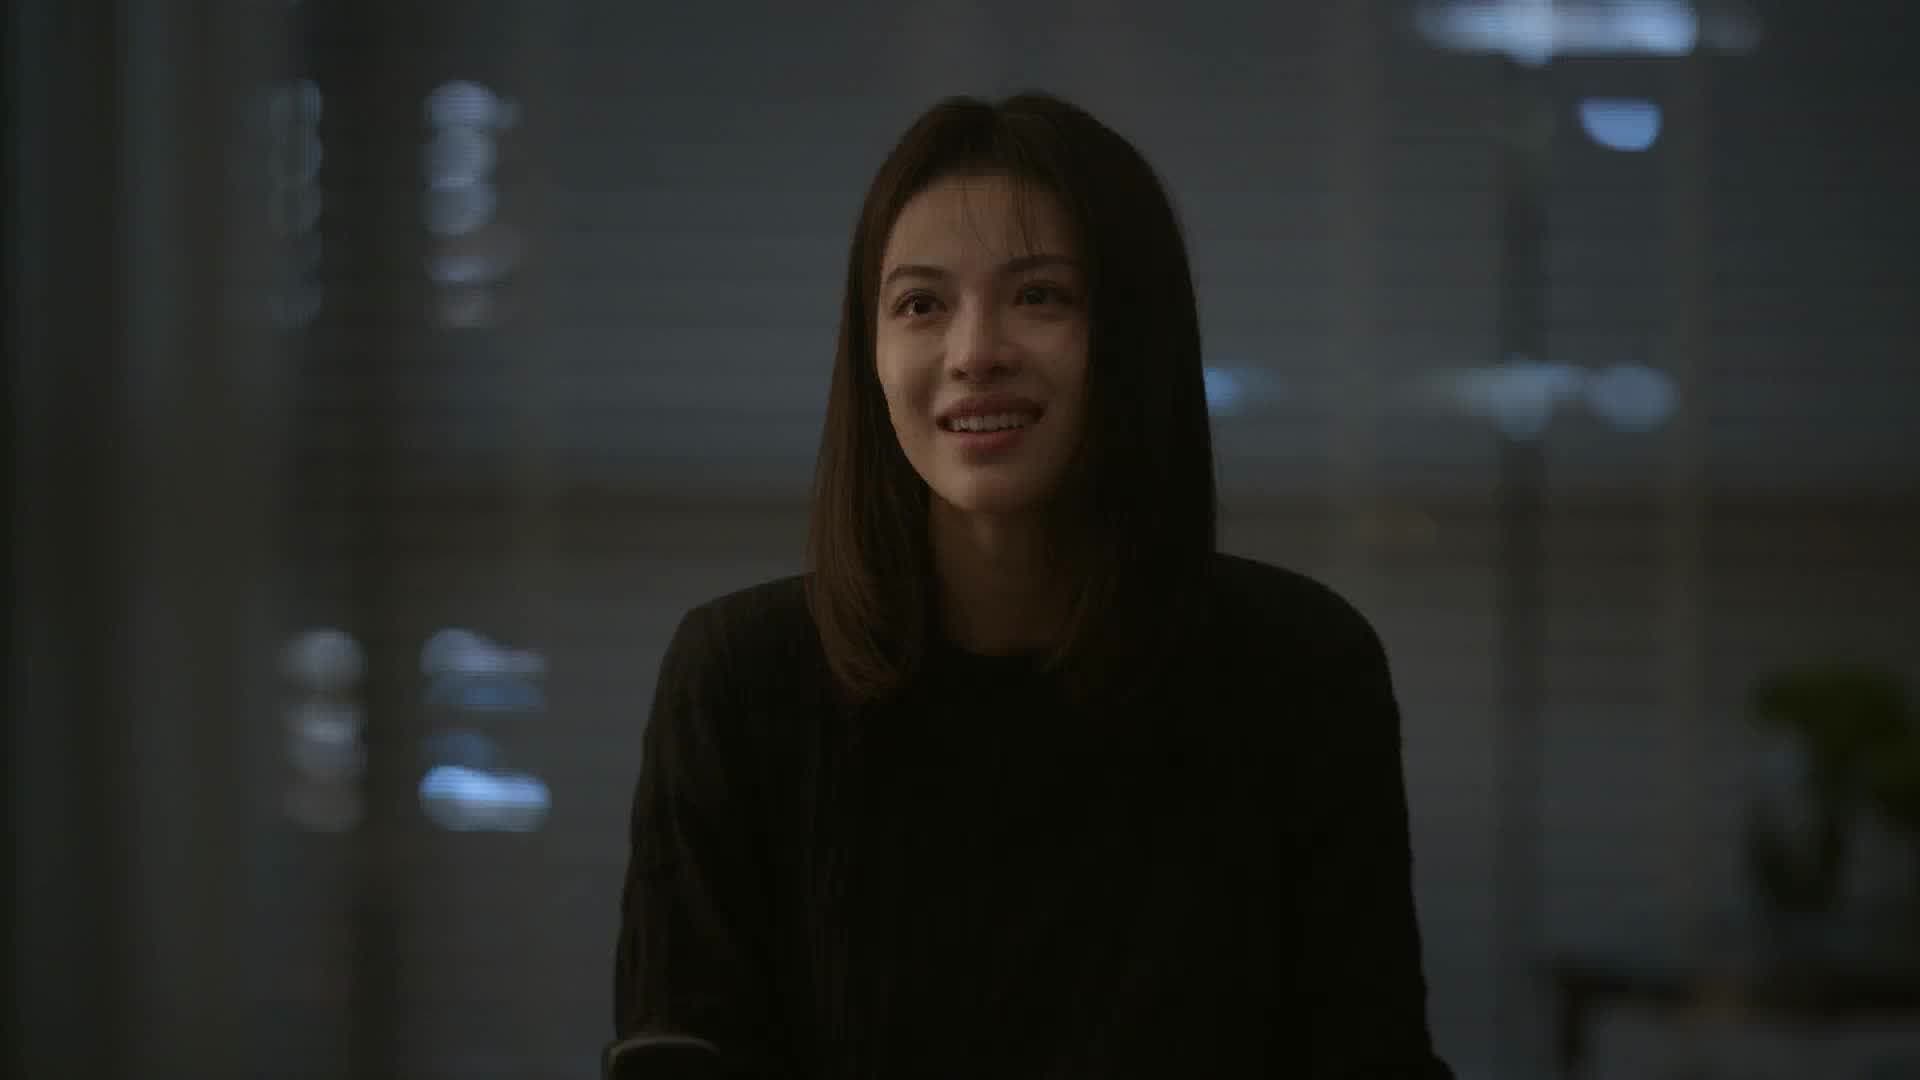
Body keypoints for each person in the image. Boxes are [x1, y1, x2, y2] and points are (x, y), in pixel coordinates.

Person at [611, 91, 1454, 1080]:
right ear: (870, 355)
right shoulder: (737, 679)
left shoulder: (1301, 673)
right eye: (921, 304)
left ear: (1135, 338)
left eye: (1040, 296)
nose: (975, 354)